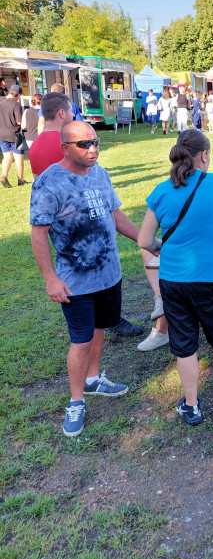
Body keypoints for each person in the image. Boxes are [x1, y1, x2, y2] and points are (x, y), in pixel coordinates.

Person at [29, 121, 150, 437]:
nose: (93, 148)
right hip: (76, 282)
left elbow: (116, 215)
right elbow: (38, 235)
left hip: (110, 275)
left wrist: (146, 241)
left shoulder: (100, 173)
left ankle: (94, 379)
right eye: (84, 144)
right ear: (65, 148)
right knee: (80, 341)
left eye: (95, 142)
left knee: (99, 328)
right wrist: (50, 279)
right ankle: (76, 400)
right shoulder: (48, 184)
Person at [137, 129, 213, 426]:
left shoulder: (161, 190)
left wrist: (163, 247)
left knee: (185, 345)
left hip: (174, 278)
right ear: (203, 155)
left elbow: (144, 240)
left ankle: (192, 404)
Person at [0, 84, 27, 187]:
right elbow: (19, 122)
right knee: (18, 156)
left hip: (1, 134)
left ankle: (4, 176)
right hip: (14, 135)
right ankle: (21, 179)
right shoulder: (16, 104)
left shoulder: (1, 102)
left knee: (7, 156)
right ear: (18, 95)